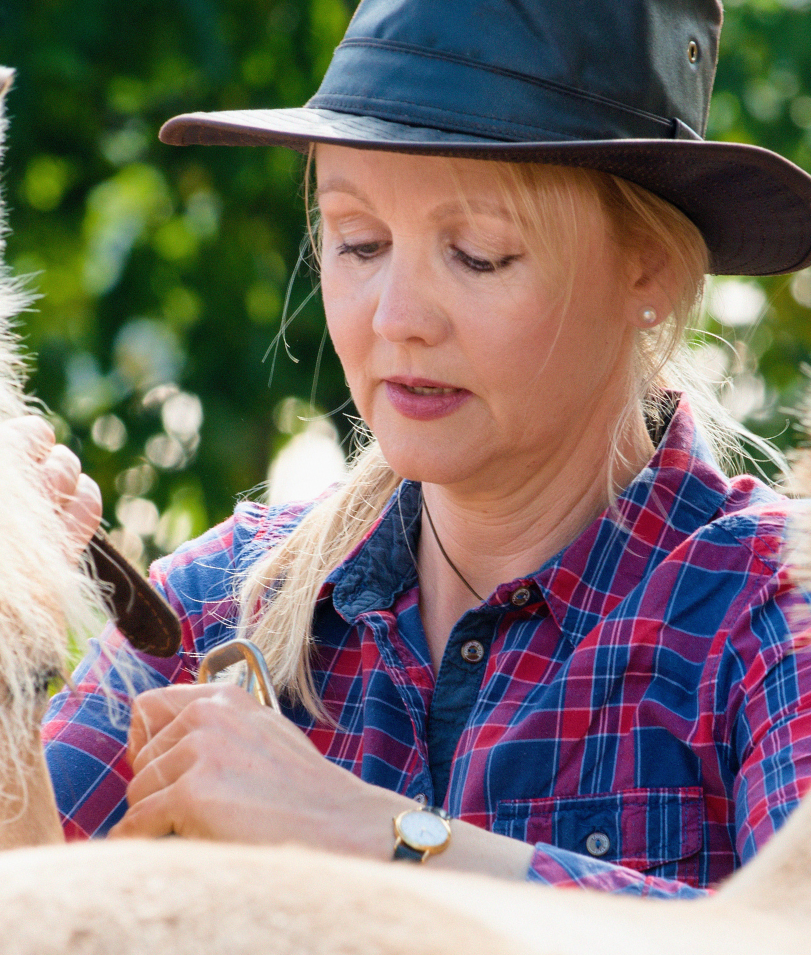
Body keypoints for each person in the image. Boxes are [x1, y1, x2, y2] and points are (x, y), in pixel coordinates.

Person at [44, 0, 811, 899]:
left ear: (648, 270)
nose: (397, 318)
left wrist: (372, 836)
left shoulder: (772, 614)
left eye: (479, 254)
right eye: (358, 242)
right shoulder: (212, 611)